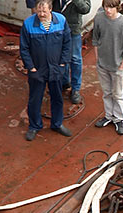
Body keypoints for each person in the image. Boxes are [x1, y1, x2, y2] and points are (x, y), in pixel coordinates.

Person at [20, 0, 73, 141]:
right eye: (39, 11)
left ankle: (57, 124)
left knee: (57, 98)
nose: (41, 14)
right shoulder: (28, 24)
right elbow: (24, 49)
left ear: (51, 9)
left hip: (56, 69)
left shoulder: (61, 20)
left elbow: (67, 43)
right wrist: (31, 67)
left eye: (44, 11)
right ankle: (34, 126)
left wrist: (62, 63)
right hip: (37, 70)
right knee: (35, 99)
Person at [26, 0, 90, 104]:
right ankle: (64, 82)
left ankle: (75, 89)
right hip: (57, 30)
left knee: (75, 59)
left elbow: (85, 9)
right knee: (59, 57)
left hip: (73, 30)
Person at [92, 0, 123, 135]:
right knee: (107, 92)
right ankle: (109, 116)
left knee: (118, 93)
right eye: (106, 7)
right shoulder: (99, 18)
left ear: (117, 7)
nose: (108, 10)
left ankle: (119, 119)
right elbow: (96, 40)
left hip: (117, 66)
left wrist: (122, 66)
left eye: (111, 7)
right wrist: (98, 60)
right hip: (102, 65)